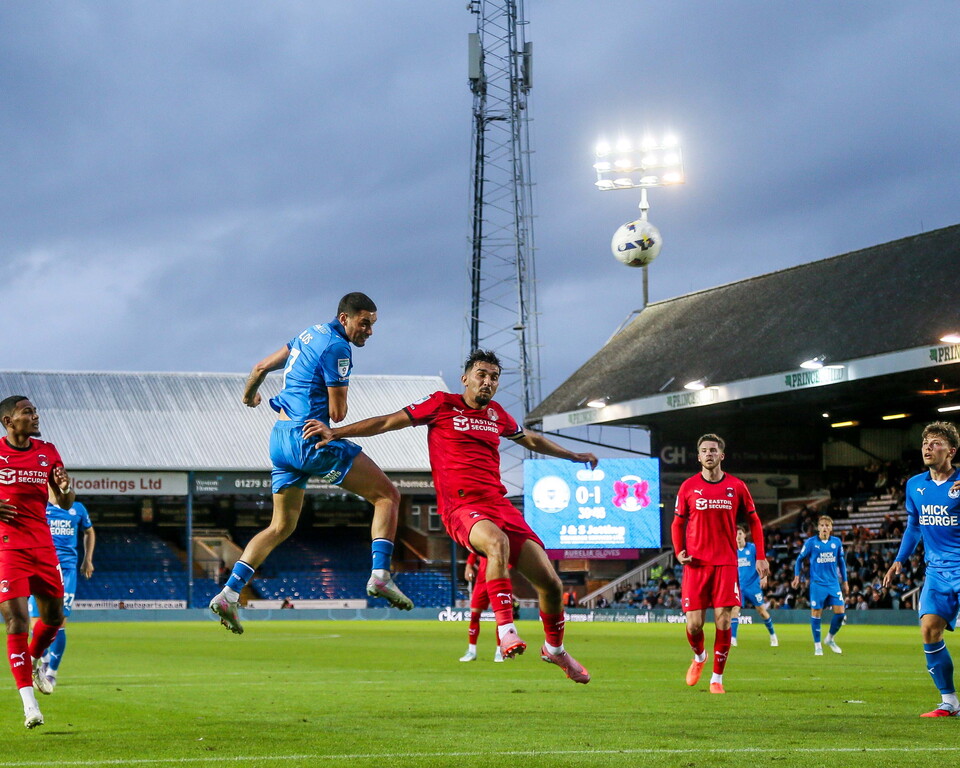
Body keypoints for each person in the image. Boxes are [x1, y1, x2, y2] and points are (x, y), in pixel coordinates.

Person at [307, 349, 596, 683]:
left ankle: (555, 650)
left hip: (499, 505)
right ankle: (506, 630)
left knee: (551, 583)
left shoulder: (497, 414)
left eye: (494, 377)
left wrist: (572, 455)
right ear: (466, 379)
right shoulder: (442, 404)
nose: (487, 382)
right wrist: (336, 432)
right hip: (461, 506)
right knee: (496, 543)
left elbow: (529, 438)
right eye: (482, 374)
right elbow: (388, 422)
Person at [210, 293, 412, 634]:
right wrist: (336, 401)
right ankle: (380, 576)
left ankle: (229, 594)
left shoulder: (310, 332)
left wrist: (249, 397)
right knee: (387, 495)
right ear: (345, 318)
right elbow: (337, 414)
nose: (369, 332)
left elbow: (260, 368)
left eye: (373, 324)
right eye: (364, 323)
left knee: (281, 527)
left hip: (280, 439)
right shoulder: (338, 348)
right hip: (309, 439)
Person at [672, 433, 768, 694]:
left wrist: (760, 555)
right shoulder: (688, 487)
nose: (709, 454)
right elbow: (678, 523)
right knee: (694, 625)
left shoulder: (736, 486)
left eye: (713, 450)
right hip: (696, 564)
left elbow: (754, 521)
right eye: (704, 450)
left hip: (726, 563)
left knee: (724, 621)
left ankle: (717, 678)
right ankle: (700, 656)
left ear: (721, 455)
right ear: (699, 456)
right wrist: (679, 551)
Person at [0, 396, 75, 728]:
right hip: (7, 548)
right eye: (27, 412)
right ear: (8, 421)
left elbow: (64, 500)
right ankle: (30, 705)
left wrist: (65, 488)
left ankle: (31, 659)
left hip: (43, 546)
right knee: (16, 621)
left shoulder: (48, 451)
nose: (35, 416)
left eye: (34, 411)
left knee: (54, 618)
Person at [883, 421, 960, 717]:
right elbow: (914, 525)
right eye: (926, 442)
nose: (928, 447)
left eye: (936, 442)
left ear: (951, 451)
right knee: (929, 630)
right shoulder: (915, 484)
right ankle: (949, 700)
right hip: (937, 572)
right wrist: (899, 560)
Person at [28, 490, 95, 691]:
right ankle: (46, 659)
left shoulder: (78, 508)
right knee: (34, 623)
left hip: (66, 570)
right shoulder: (40, 507)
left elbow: (89, 531)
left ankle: (52, 673)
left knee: (59, 621)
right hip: (41, 566)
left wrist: (87, 559)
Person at [792, 515, 848, 656]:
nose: (824, 528)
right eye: (822, 525)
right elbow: (799, 560)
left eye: (827, 525)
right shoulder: (811, 543)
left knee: (840, 613)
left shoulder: (837, 542)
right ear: (818, 528)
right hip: (817, 584)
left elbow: (841, 563)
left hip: (833, 584)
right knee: (816, 613)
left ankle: (829, 638)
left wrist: (845, 581)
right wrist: (797, 576)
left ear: (831, 528)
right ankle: (817, 646)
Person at [731, 524, 778, 647]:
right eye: (736, 534)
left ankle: (773, 636)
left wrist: (764, 577)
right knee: (734, 611)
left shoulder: (752, 548)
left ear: (745, 535)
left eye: (740, 534)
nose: (738, 537)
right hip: (739, 587)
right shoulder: (732, 551)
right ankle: (733, 639)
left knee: (762, 612)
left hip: (753, 585)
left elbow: (764, 562)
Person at [459, 552, 504, 663]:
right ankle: (472, 651)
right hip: (481, 582)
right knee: (474, 615)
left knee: (500, 618)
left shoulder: (503, 541)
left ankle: (499, 652)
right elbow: (473, 553)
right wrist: (468, 567)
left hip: (498, 581)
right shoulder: (483, 538)